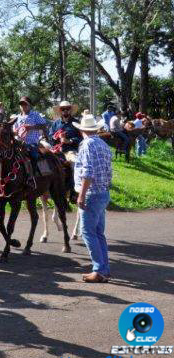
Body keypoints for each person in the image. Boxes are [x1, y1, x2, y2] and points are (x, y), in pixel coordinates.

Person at [72, 114, 113, 283]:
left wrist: (81, 194)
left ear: (82, 130)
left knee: (88, 232)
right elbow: (109, 171)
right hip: (103, 192)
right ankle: (104, 269)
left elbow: (87, 172)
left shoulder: (86, 145)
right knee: (98, 233)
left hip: (91, 194)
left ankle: (99, 269)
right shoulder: (103, 144)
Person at [13, 96, 47, 175]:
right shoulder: (17, 117)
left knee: (34, 156)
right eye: (21, 104)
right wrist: (15, 132)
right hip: (19, 144)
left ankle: (34, 175)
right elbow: (15, 131)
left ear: (29, 105)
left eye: (25, 104)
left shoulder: (35, 114)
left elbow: (44, 126)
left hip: (32, 143)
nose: (23, 106)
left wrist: (31, 127)